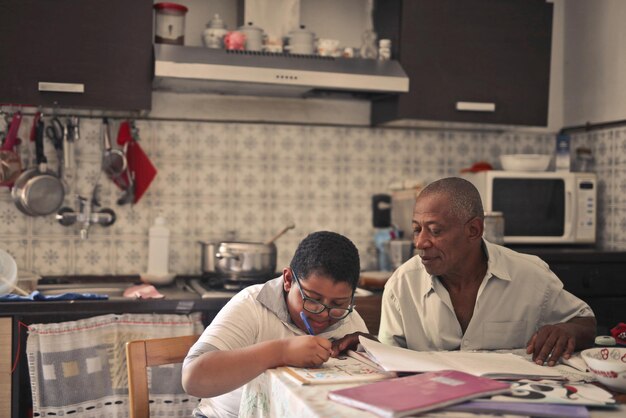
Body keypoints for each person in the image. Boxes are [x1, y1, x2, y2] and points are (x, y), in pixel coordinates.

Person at [377, 176, 596, 366]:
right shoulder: (402, 285)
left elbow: (585, 322)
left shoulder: (530, 276)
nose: (420, 242)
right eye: (417, 229)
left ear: (474, 230)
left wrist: (569, 331)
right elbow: (387, 359)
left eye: (435, 231)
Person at [182, 231, 368, 418]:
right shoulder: (252, 304)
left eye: (338, 304)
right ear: (288, 280)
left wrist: (370, 350)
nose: (323, 314)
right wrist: (281, 352)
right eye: (312, 299)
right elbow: (193, 379)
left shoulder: (348, 317)